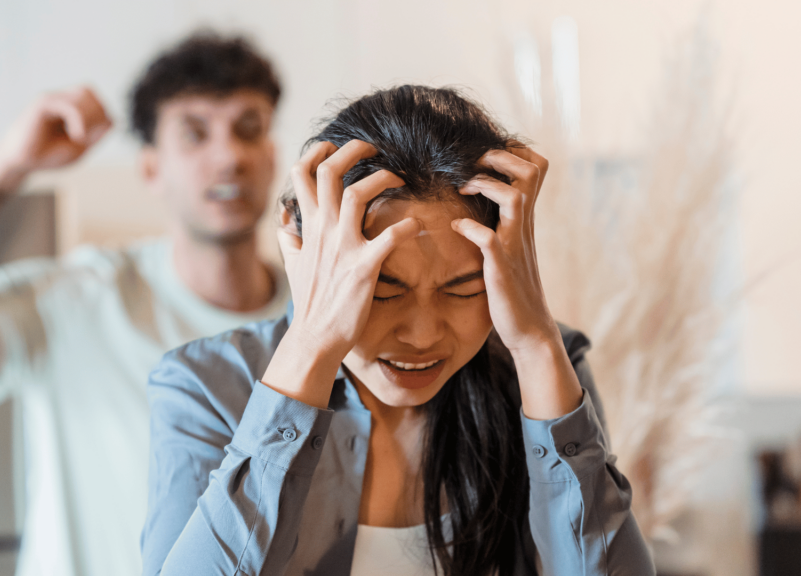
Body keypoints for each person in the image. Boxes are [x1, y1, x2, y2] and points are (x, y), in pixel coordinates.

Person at [0, 33, 290, 576]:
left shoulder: (315, 322)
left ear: (272, 154)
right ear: (150, 169)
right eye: (194, 133)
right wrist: (7, 166)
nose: (229, 156)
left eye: (248, 129)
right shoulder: (79, 302)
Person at [143, 85, 656, 575]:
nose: (422, 334)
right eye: (383, 290)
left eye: (462, 289)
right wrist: (313, 343)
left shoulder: (545, 370)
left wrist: (537, 344)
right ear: (305, 251)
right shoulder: (203, 386)